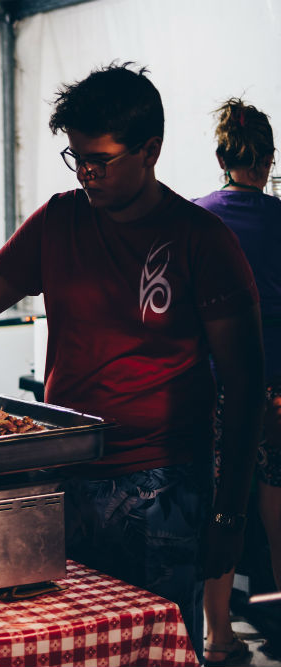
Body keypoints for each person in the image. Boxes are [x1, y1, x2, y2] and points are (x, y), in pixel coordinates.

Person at [0, 63, 264, 656]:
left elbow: (244, 386)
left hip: (162, 489)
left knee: (153, 648)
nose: (87, 173)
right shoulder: (60, 219)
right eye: (76, 157)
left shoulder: (202, 240)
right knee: (70, 648)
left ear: (150, 150)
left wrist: (230, 517)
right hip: (66, 477)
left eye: (100, 160)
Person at [194, 97, 281, 666]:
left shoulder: (198, 218)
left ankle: (219, 633)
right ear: (269, 159)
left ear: (221, 156)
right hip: (278, 384)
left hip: (216, 384)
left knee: (221, 501)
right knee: (279, 497)